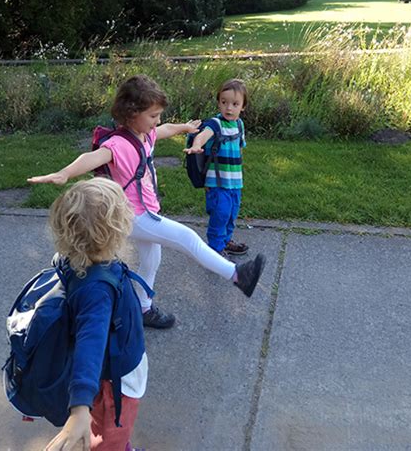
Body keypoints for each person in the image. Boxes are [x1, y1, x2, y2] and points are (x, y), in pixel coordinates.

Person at [28, 75, 266, 330]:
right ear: (132, 114)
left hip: (145, 210)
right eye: (153, 116)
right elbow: (93, 156)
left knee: (151, 259)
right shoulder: (118, 144)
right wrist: (65, 173)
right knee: (187, 238)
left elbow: (164, 130)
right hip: (132, 215)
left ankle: (143, 308)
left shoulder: (146, 134)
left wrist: (184, 128)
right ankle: (238, 275)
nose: (158, 121)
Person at [43, 177, 147, 451]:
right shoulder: (97, 290)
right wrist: (79, 407)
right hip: (117, 379)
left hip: (117, 361)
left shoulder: (76, 260)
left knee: (115, 430)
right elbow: (91, 343)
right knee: (110, 434)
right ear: (114, 230)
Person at [184, 79, 249, 258]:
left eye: (235, 104)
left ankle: (226, 241)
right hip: (216, 181)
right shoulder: (215, 124)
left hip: (235, 182)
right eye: (224, 102)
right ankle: (214, 248)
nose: (229, 108)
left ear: (243, 106)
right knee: (220, 213)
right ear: (218, 102)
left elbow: (239, 149)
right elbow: (203, 136)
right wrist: (196, 145)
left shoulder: (239, 125)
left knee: (231, 213)